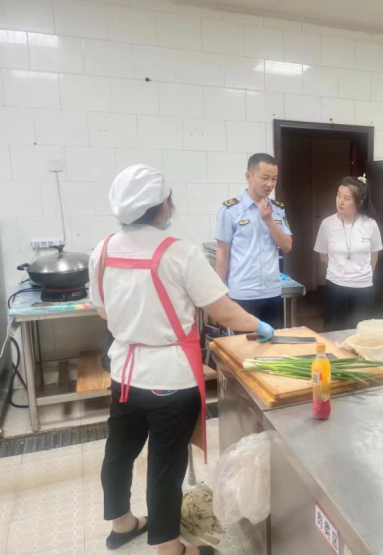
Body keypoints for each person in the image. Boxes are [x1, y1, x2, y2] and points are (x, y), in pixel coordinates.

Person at [90, 165, 274, 555]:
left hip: (124, 372)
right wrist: (259, 324)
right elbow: (222, 310)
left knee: (119, 450)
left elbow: (104, 312)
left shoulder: (102, 250)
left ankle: (122, 524)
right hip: (170, 380)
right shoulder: (180, 253)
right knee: (165, 463)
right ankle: (170, 548)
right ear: (163, 206)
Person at [214, 153, 292, 330]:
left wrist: (269, 220)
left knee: (273, 345)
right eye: (265, 178)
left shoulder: (277, 209)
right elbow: (222, 254)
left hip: (272, 292)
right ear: (248, 176)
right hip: (242, 294)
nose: (270, 184)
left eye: (274, 179)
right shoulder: (230, 210)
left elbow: (287, 246)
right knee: (242, 346)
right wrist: (219, 294)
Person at [314, 175, 383, 331]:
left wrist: (364, 275)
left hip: (363, 288)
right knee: (333, 330)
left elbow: (374, 255)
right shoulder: (327, 224)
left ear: (359, 202)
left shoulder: (370, 224)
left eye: (346, 198)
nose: (340, 202)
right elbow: (323, 256)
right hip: (335, 286)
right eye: (338, 195)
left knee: (362, 332)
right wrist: (341, 270)